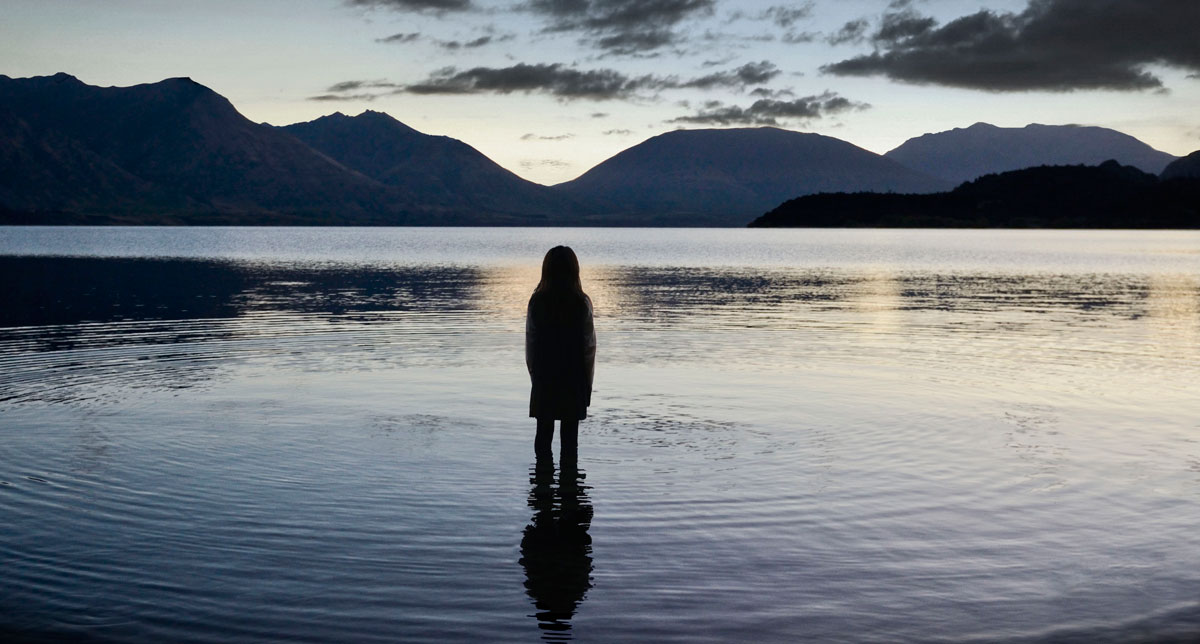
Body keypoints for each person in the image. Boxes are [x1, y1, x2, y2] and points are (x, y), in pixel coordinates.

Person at [526, 246, 596, 462]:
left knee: (543, 439)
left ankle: (542, 489)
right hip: (573, 380)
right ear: (575, 270)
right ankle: (569, 491)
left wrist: (535, 378)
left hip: (544, 379)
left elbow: (531, 344)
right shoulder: (581, 303)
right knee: (570, 444)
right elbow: (589, 348)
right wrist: (588, 385)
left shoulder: (537, 302)